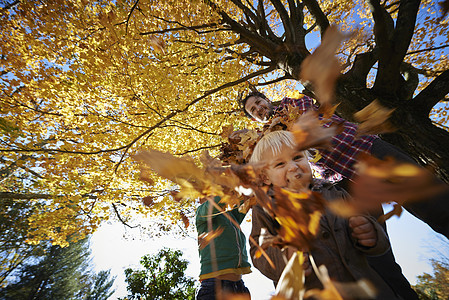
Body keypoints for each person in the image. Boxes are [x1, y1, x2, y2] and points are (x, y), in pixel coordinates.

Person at [248, 130, 401, 299]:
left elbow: (376, 238)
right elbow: (259, 250)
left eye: (297, 157)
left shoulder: (336, 193)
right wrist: (285, 257)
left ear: (308, 159)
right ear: (266, 177)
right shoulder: (265, 209)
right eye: (279, 164)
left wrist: (370, 233)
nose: (293, 166)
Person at [195, 195, 251, 300]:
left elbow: (245, 202)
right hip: (214, 287)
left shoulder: (231, 216)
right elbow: (214, 204)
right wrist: (226, 190)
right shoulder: (201, 215)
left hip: (239, 287)